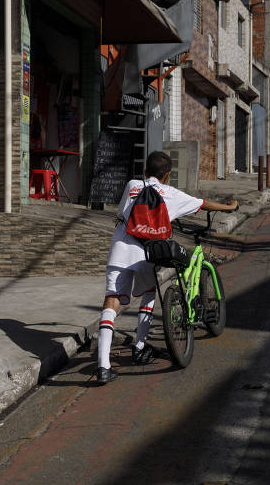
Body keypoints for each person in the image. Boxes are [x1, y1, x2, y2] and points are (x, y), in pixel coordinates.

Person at [96, 151, 239, 384]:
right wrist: (230, 206)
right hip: (147, 252)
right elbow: (204, 204)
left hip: (119, 249)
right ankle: (140, 346)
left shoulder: (132, 185)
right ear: (168, 175)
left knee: (111, 300)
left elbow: (121, 214)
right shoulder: (171, 193)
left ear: (144, 172)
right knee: (149, 294)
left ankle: (103, 366)